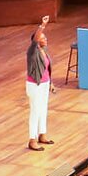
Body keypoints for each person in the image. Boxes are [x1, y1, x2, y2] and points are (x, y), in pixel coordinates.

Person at [26, 13, 54, 150]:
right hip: (34, 85)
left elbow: (47, 68)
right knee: (35, 111)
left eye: (45, 37)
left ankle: (42, 134)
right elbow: (36, 39)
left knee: (43, 109)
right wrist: (43, 25)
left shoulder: (44, 50)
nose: (45, 39)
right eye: (42, 38)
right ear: (36, 41)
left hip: (44, 84)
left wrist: (51, 83)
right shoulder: (32, 51)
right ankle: (32, 139)